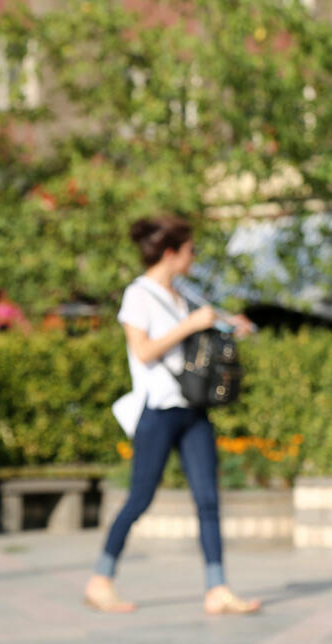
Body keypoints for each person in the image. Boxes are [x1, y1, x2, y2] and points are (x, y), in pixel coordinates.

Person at [85, 214, 259, 615]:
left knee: (208, 499)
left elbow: (208, 324)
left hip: (193, 409)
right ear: (170, 253)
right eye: (190, 250)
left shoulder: (185, 292)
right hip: (158, 410)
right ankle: (101, 579)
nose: (194, 257)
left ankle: (217, 588)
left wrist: (234, 325)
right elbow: (143, 351)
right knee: (140, 498)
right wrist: (189, 326)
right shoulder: (138, 295)